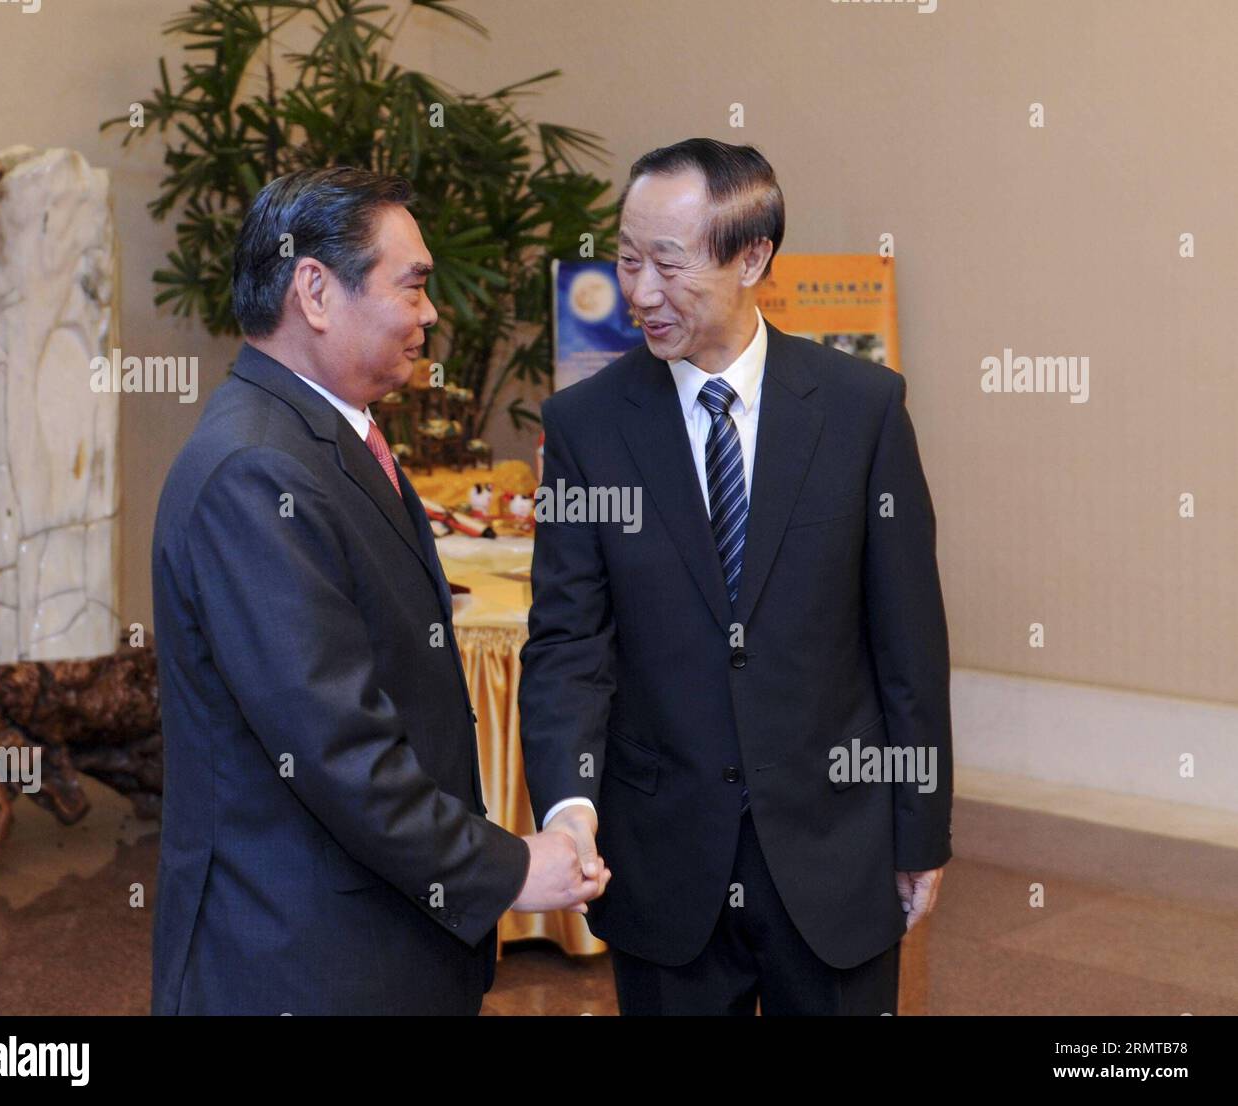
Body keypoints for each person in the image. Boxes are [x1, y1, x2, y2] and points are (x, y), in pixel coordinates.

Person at [150, 167, 605, 1016]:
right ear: (315, 290)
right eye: (414, 284)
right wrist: (510, 868)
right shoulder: (258, 471)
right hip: (301, 961)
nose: (432, 313)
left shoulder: (320, 435)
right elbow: (338, 749)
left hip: (365, 944)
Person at [519, 138, 952, 1015]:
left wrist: (919, 830)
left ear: (753, 255)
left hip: (835, 848)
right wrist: (569, 803)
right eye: (627, 259)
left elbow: (909, 643)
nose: (640, 292)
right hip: (663, 858)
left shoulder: (861, 410)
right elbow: (569, 642)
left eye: (669, 263)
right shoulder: (588, 428)